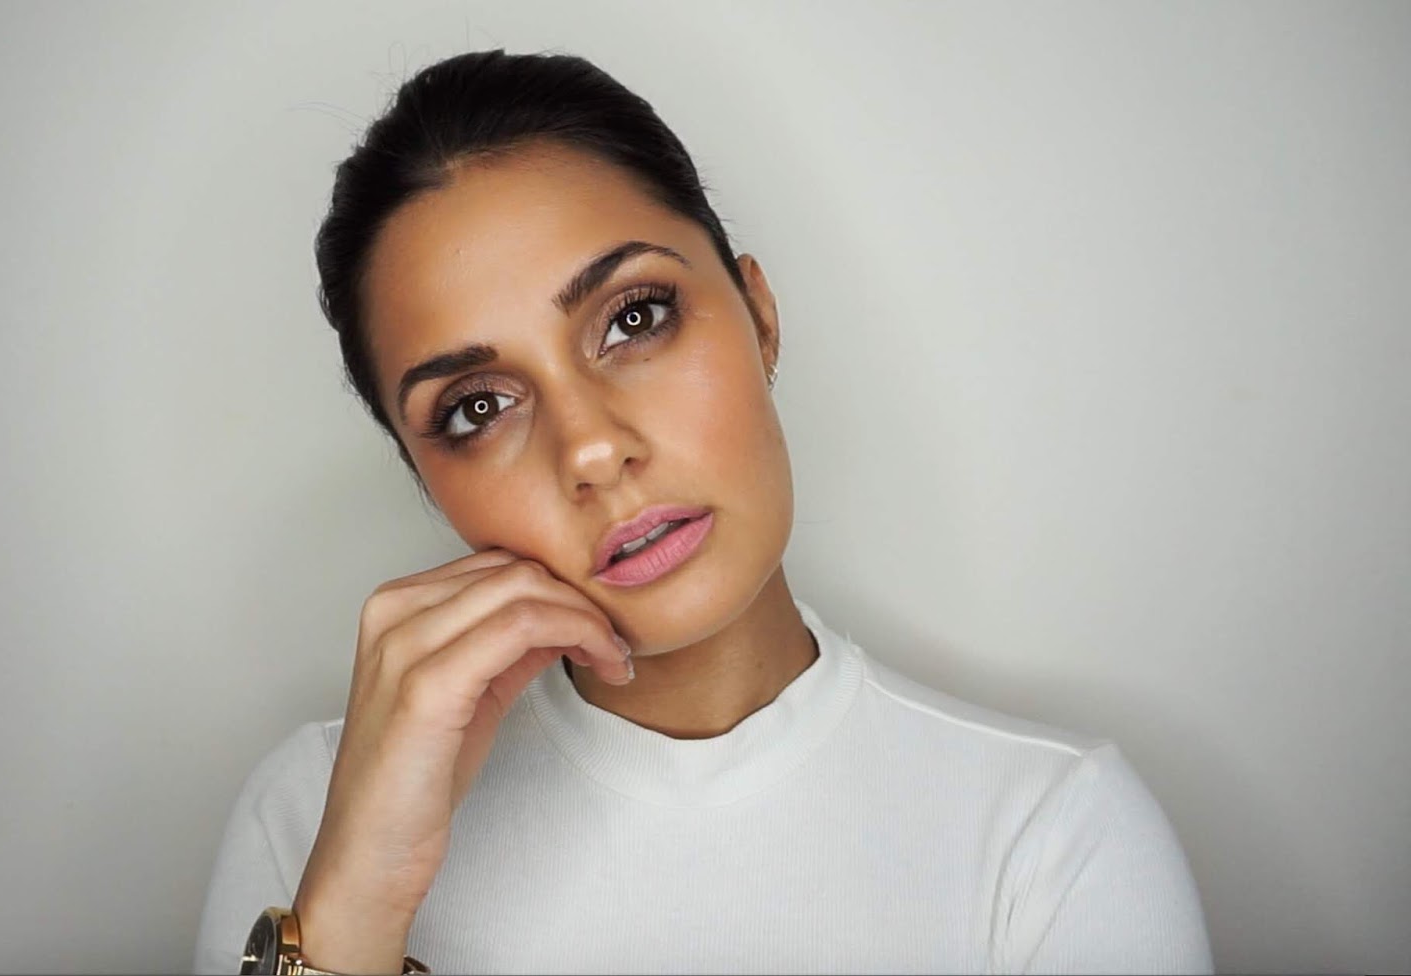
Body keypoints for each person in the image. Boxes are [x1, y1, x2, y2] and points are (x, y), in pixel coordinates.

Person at [192, 49, 1213, 975]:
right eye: (478, 408)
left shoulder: (1046, 833)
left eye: (634, 318)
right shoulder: (317, 815)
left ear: (759, 315)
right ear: (425, 476)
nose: (592, 450)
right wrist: (351, 915)